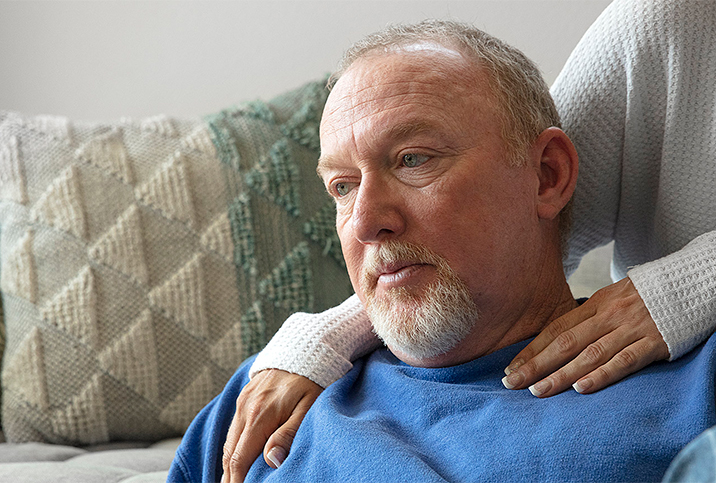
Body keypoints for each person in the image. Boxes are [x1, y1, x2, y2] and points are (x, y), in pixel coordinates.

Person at [169, 19, 716, 483]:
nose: (364, 222)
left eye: (413, 160)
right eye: (341, 186)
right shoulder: (266, 397)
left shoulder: (694, 390)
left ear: (547, 176)